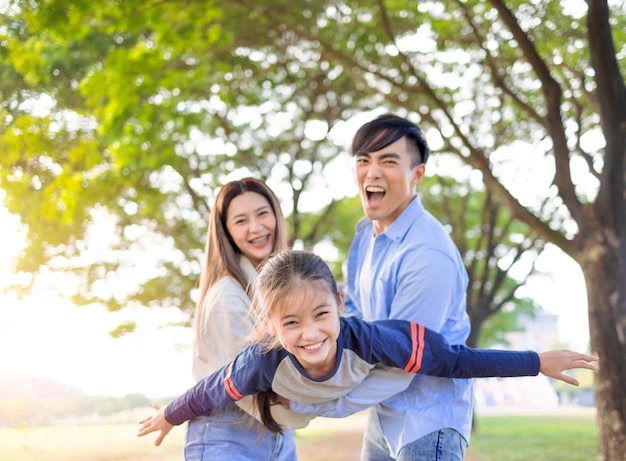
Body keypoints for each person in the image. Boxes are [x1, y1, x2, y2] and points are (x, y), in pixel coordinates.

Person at [137, 250, 598, 447]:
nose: (311, 334)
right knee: (261, 403)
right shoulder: (260, 364)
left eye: (321, 315)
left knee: (424, 364)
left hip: (384, 360)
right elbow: (207, 392)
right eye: (291, 323)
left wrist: (537, 361)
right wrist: (167, 416)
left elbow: (459, 359)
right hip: (298, 396)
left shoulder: (372, 340)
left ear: (339, 304)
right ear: (270, 326)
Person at [290, 112, 532, 460]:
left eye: (388, 160)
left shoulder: (427, 255)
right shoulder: (365, 237)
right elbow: (354, 323)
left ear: (416, 174)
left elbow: (406, 364)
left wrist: (311, 403)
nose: (372, 172)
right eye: (364, 160)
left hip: (427, 423)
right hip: (384, 413)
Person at [183, 177, 297, 460]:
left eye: (262, 214)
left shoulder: (274, 288)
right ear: (226, 232)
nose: (256, 228)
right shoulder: (227, 296)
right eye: (241, 221)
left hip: (275, 433)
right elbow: (253, 382)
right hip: (227, 434)